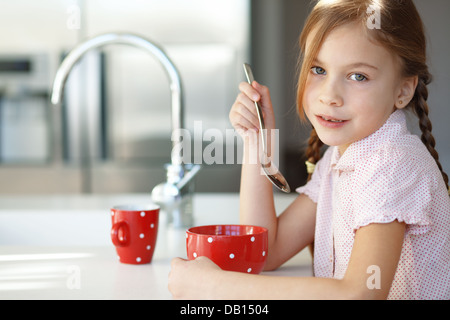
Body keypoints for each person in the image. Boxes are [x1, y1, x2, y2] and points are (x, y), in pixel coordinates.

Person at [168, 0, 450, 299]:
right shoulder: (344, 158)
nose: (330, 95)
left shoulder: (392, 164)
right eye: (318, 69)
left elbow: (362, 294)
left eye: (358, 76)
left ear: (403, 90)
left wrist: (214, 287)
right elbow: (267, 251)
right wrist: (257, 140)